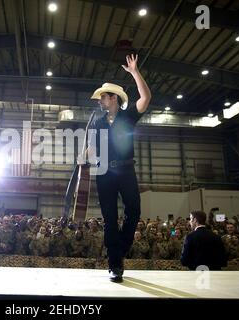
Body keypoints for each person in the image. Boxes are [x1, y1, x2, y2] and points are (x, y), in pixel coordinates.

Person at [90, 54, 151, 282]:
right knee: (109, 219)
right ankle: (115, 265)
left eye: (103, 97)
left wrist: (135, 72)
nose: (100, 101)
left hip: (126, 171)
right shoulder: (97, 122)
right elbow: (94, 149)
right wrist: (84, 156)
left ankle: (119, 250)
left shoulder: (128, 116)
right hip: (104, 173)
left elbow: (146, 97)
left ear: (114, 98)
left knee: (134, 211)